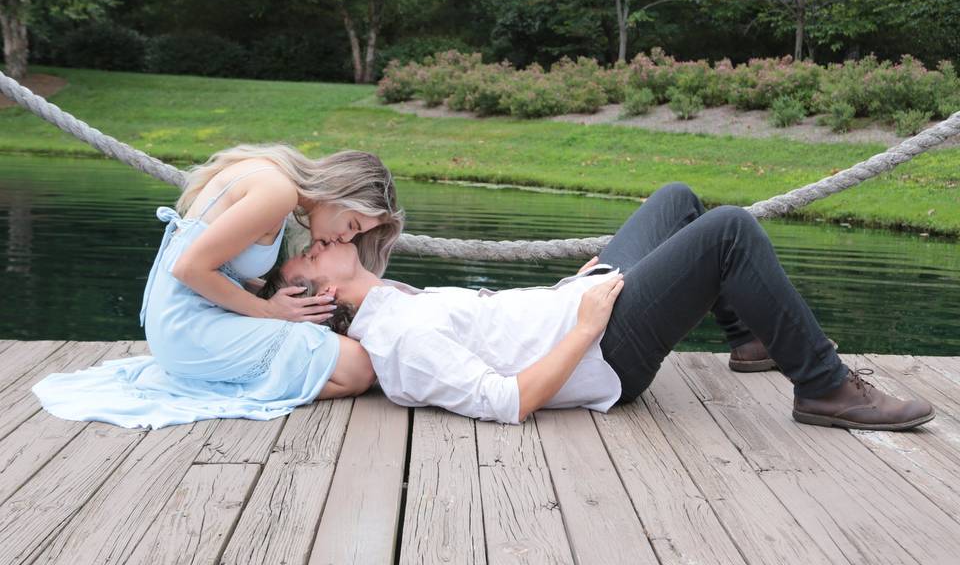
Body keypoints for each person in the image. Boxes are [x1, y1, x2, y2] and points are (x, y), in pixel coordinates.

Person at [266, 183, 934, 431]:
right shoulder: (399, 344)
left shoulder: (395, 300)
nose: (318, 241)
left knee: (675, 200)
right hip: (602, 351)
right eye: (307, 252)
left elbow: (498, 321)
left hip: (581, 306)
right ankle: (823, 387)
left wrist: (568, 289)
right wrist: (583, 324)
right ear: (315, 293)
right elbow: (506, 399)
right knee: (730, 230)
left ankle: (751, 337)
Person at [32, 144, 404, 429]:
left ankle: (256, 376)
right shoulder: (278, 191)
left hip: (179, 324)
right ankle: (248, 384)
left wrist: (277, 303)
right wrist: (269, 311)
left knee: (349, 356)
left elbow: (216, 268)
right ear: (340, 191)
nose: (344, 238)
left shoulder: (273, 175)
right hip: (188, 329)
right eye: (353, 225)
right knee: (358, 368)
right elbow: (190, 268)